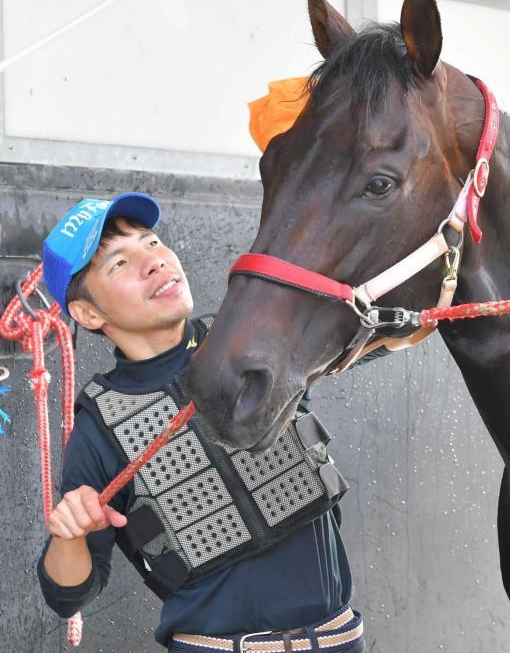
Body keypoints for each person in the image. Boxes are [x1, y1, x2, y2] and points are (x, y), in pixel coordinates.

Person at [37, 193, 364, 652]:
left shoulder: (255, 338)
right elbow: (67, 595)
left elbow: (375, 332)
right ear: (89, 313)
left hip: (340, 641)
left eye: (151, 242)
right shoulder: (99, 426)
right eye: (119, 263)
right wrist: (69, 534)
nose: (153, 262)